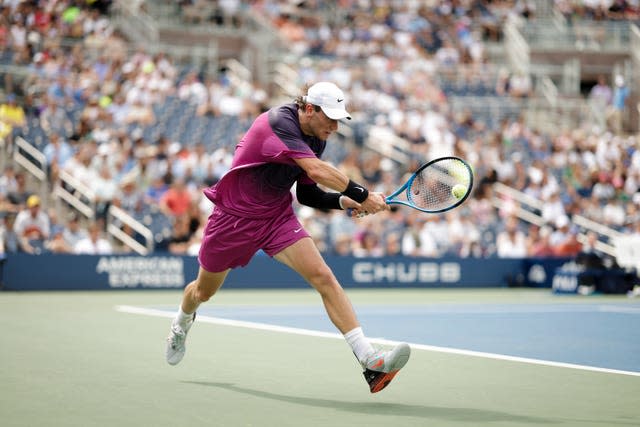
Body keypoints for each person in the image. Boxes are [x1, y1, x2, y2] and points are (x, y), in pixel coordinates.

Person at [165, 82, 410, 393]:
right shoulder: (278, 122)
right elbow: (318, 171)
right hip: (232, 220)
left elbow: (308, 194)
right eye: (329, 118)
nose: (334, 127)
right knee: (203, 292)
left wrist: (346, 201)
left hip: (275, 218)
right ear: (308, 109)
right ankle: (180, 324)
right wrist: (362, 193)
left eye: (338, 120)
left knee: (323, 276)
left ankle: (370, 362)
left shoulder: (316, 138)